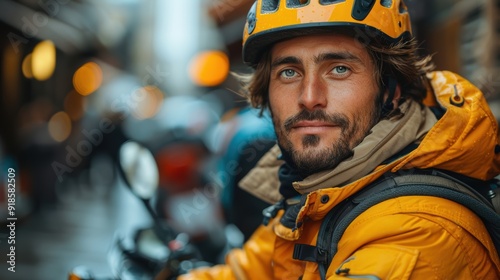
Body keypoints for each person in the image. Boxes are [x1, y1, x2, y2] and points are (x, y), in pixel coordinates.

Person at [178, 0, 500, 279]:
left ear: (391, 89)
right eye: (289, 72)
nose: (309, 97)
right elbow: (243, 274)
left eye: (339, 69)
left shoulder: (417, 239)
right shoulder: (318, 192)